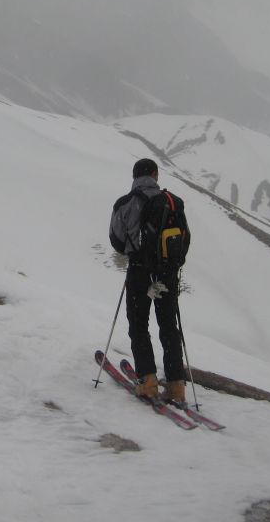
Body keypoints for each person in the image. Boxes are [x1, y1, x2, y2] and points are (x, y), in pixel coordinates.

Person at [109, 158, 191, 401]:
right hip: (167, 273)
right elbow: (185, 238)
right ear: (156, 175)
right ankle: (177, 385)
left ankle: (148, 381)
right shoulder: (173, 202)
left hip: (139, 271)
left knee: (139, 323)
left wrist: (135, 249)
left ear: (134, 177)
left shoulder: (125, 203)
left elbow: (116, 240)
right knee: (168, 325)